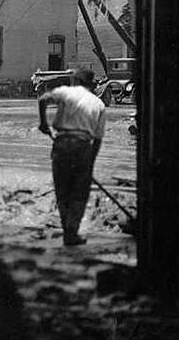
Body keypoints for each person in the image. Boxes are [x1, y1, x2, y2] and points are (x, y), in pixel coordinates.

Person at [38, 68, 106, 246]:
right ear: (91, 84)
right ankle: (72, 231)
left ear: (75, 81)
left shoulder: (66, 92)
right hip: (83, 147)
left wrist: (43, 123)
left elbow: (43, 99)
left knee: (62, 189)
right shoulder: (99, 104)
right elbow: (98, 139)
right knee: (79, 192)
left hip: (61, 144)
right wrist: (90, 163)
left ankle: (67, 229)